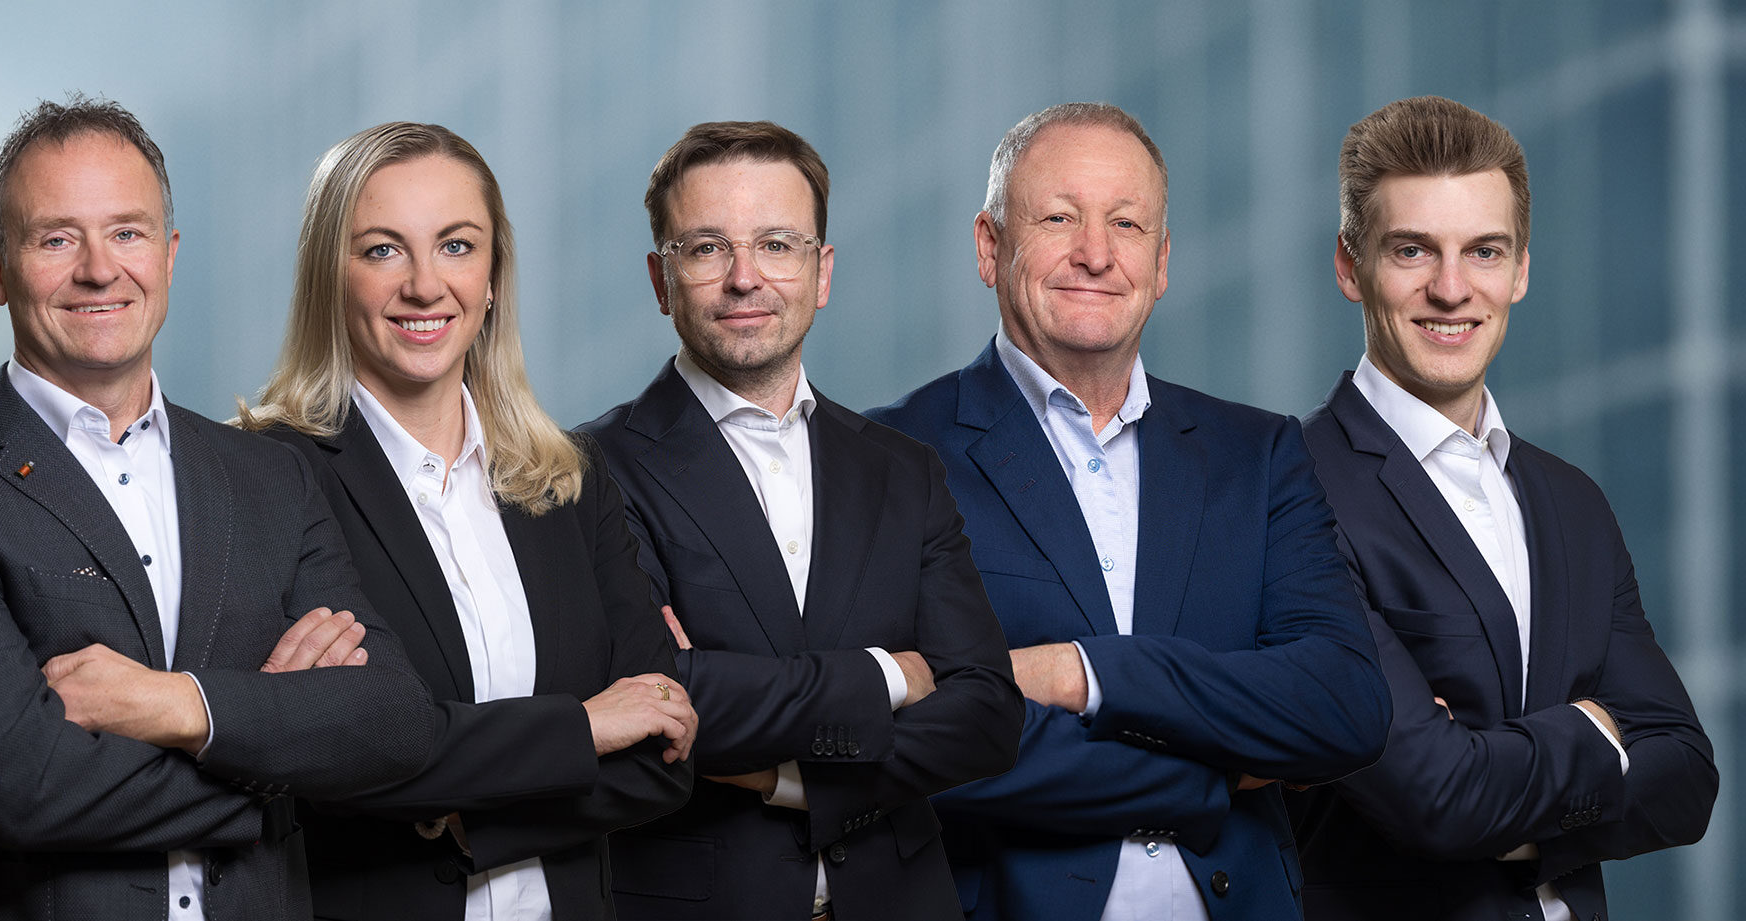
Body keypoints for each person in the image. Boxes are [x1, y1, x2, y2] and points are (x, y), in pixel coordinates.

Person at [0, 96, 435, 921]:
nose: (100, 269)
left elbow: (396, 723)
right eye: (57, 239)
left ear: (169, 253)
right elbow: (27, 788)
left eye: (127, 232)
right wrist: (279, 764)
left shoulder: (271, 478)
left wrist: (181, 705)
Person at [867, 102, 1392, 920]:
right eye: (1058, 218)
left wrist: (1084, 673)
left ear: (1163, 259)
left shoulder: (1258, 455)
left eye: (1126, 223)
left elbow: (1345, 702)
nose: (1096, 253)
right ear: (990, 246)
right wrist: (1216, 774)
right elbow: (911, 738)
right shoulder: (890, 458)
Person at [239, 121, 696, 921]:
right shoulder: (265, 477)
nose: (425, 285)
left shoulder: (570, 479)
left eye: (456, 246)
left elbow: (660, 755)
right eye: (383, 250)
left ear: (492, 278)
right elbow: (328, 757)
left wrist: (464, 815)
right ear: (330, 277)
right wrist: (583, 727)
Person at [577, 120, 1023, 920]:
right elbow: (658, 698)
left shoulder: (903, 468)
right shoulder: (590, 469)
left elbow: (988, 711)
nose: (745, 277)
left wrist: (790, 780)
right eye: (707, 248)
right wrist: (891, 675)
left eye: (777, 244)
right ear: (661, 280)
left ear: (821, 272)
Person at [1289, 95, 1717, 921]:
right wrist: (1595, 733)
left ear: (1520, 270)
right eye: (1412, 250)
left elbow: (1687, 777)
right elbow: (1437, 795)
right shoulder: (1292, 489)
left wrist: (1495, 780)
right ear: (1349, 265)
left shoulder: (1573, 501)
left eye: (1484, 251)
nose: (1452, 289)